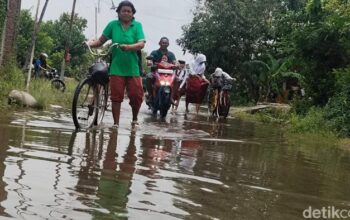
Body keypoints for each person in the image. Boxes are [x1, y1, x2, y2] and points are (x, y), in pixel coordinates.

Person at [86, 1, 146, 128]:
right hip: (117, 67)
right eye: (123, 10)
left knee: (136, 97)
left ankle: (134, 119)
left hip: (133, 68)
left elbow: (141, 44)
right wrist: (89, 44)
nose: (126, 13)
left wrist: (129, 47)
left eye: (129, 11)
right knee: (116, 97)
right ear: (118, 12)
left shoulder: (137, 26)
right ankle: (116, 124)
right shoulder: (112, 25)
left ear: (132, 14)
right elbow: (100, 41)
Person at [146, 37, 176, 104]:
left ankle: (171, 97)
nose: (164, 44)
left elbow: (175, 62)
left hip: (168, 75)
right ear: (159, 43)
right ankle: (150, 95)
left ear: (168, 44)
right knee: (148, 77)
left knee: (177, 79)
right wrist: (150, 63)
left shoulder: (171, 54)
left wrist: (177, 65)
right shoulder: (154, 53)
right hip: (155, 73)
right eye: (163, 43)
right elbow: (149, 61)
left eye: (166, 43)